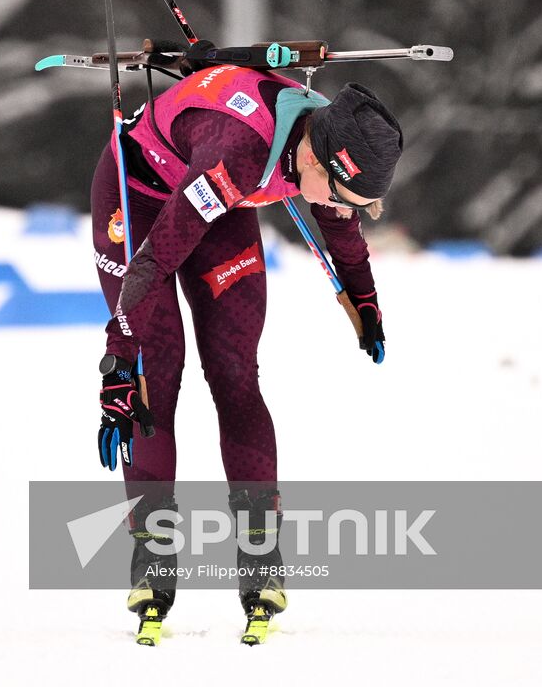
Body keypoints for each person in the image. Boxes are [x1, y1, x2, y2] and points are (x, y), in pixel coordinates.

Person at [91, 62, 403, 626]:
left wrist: (364, 298)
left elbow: (340, 227)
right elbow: (157, 257)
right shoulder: (237, 155)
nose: (343, 210)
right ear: (312, 159)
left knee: (235, 371)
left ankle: (261, 555)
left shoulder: (328, 136)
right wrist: (118, 355)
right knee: (153, 374)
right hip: (138, 197)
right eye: (342, 196)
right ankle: (152, 558)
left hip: (221, 203)